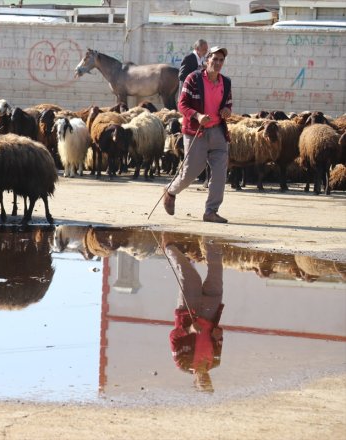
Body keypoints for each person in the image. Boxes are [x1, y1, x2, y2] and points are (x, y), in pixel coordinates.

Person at [164, 46, 232, 223]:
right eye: (214, 59)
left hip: (218, 131)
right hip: (197, 132)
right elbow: (182, 104)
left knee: (219, 174)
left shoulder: (226, 82)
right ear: (207, 60)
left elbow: (228, 104)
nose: (217, 63)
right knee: (190, 173)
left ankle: (211, 211)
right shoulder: (193, 79)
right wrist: (198, 115)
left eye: (221, 60)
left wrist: (226, 110)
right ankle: (171, 191)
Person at [162, 233, 225, 393]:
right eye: (208, 383)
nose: (205, 380)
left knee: (189, 275)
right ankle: (210, 240)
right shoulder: (215, 361)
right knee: (216, 273)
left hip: (189, 312)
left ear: (195, 383)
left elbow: (173, 337)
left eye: (202, 383)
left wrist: (189, 330)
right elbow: (218, 340)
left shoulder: (182, 363)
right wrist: (218, 335)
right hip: (210, 313)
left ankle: (168, 246)